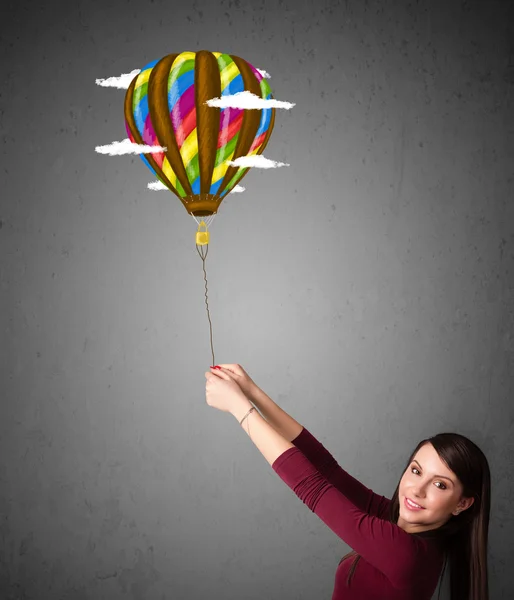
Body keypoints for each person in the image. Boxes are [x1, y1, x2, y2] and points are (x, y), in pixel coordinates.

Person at [205, 363, 491, 600]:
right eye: (416, 471)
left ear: (462, 504)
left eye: (440, 484)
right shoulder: (398, 524)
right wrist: (251, 392)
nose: (417, 489)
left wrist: (239, 408)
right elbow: (327, 469)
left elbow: (313, 488)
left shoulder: (407, 553)